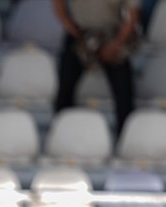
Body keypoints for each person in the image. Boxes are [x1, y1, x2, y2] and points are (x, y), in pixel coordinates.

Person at [53, 0, 141, 137]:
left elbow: (132, 15)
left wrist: (116, 45)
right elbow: (57, 3)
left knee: (124, 94)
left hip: (113, 34)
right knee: (64, 91)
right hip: (80, 34)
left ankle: (126, 140)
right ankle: (62, 136)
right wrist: (73, 30)